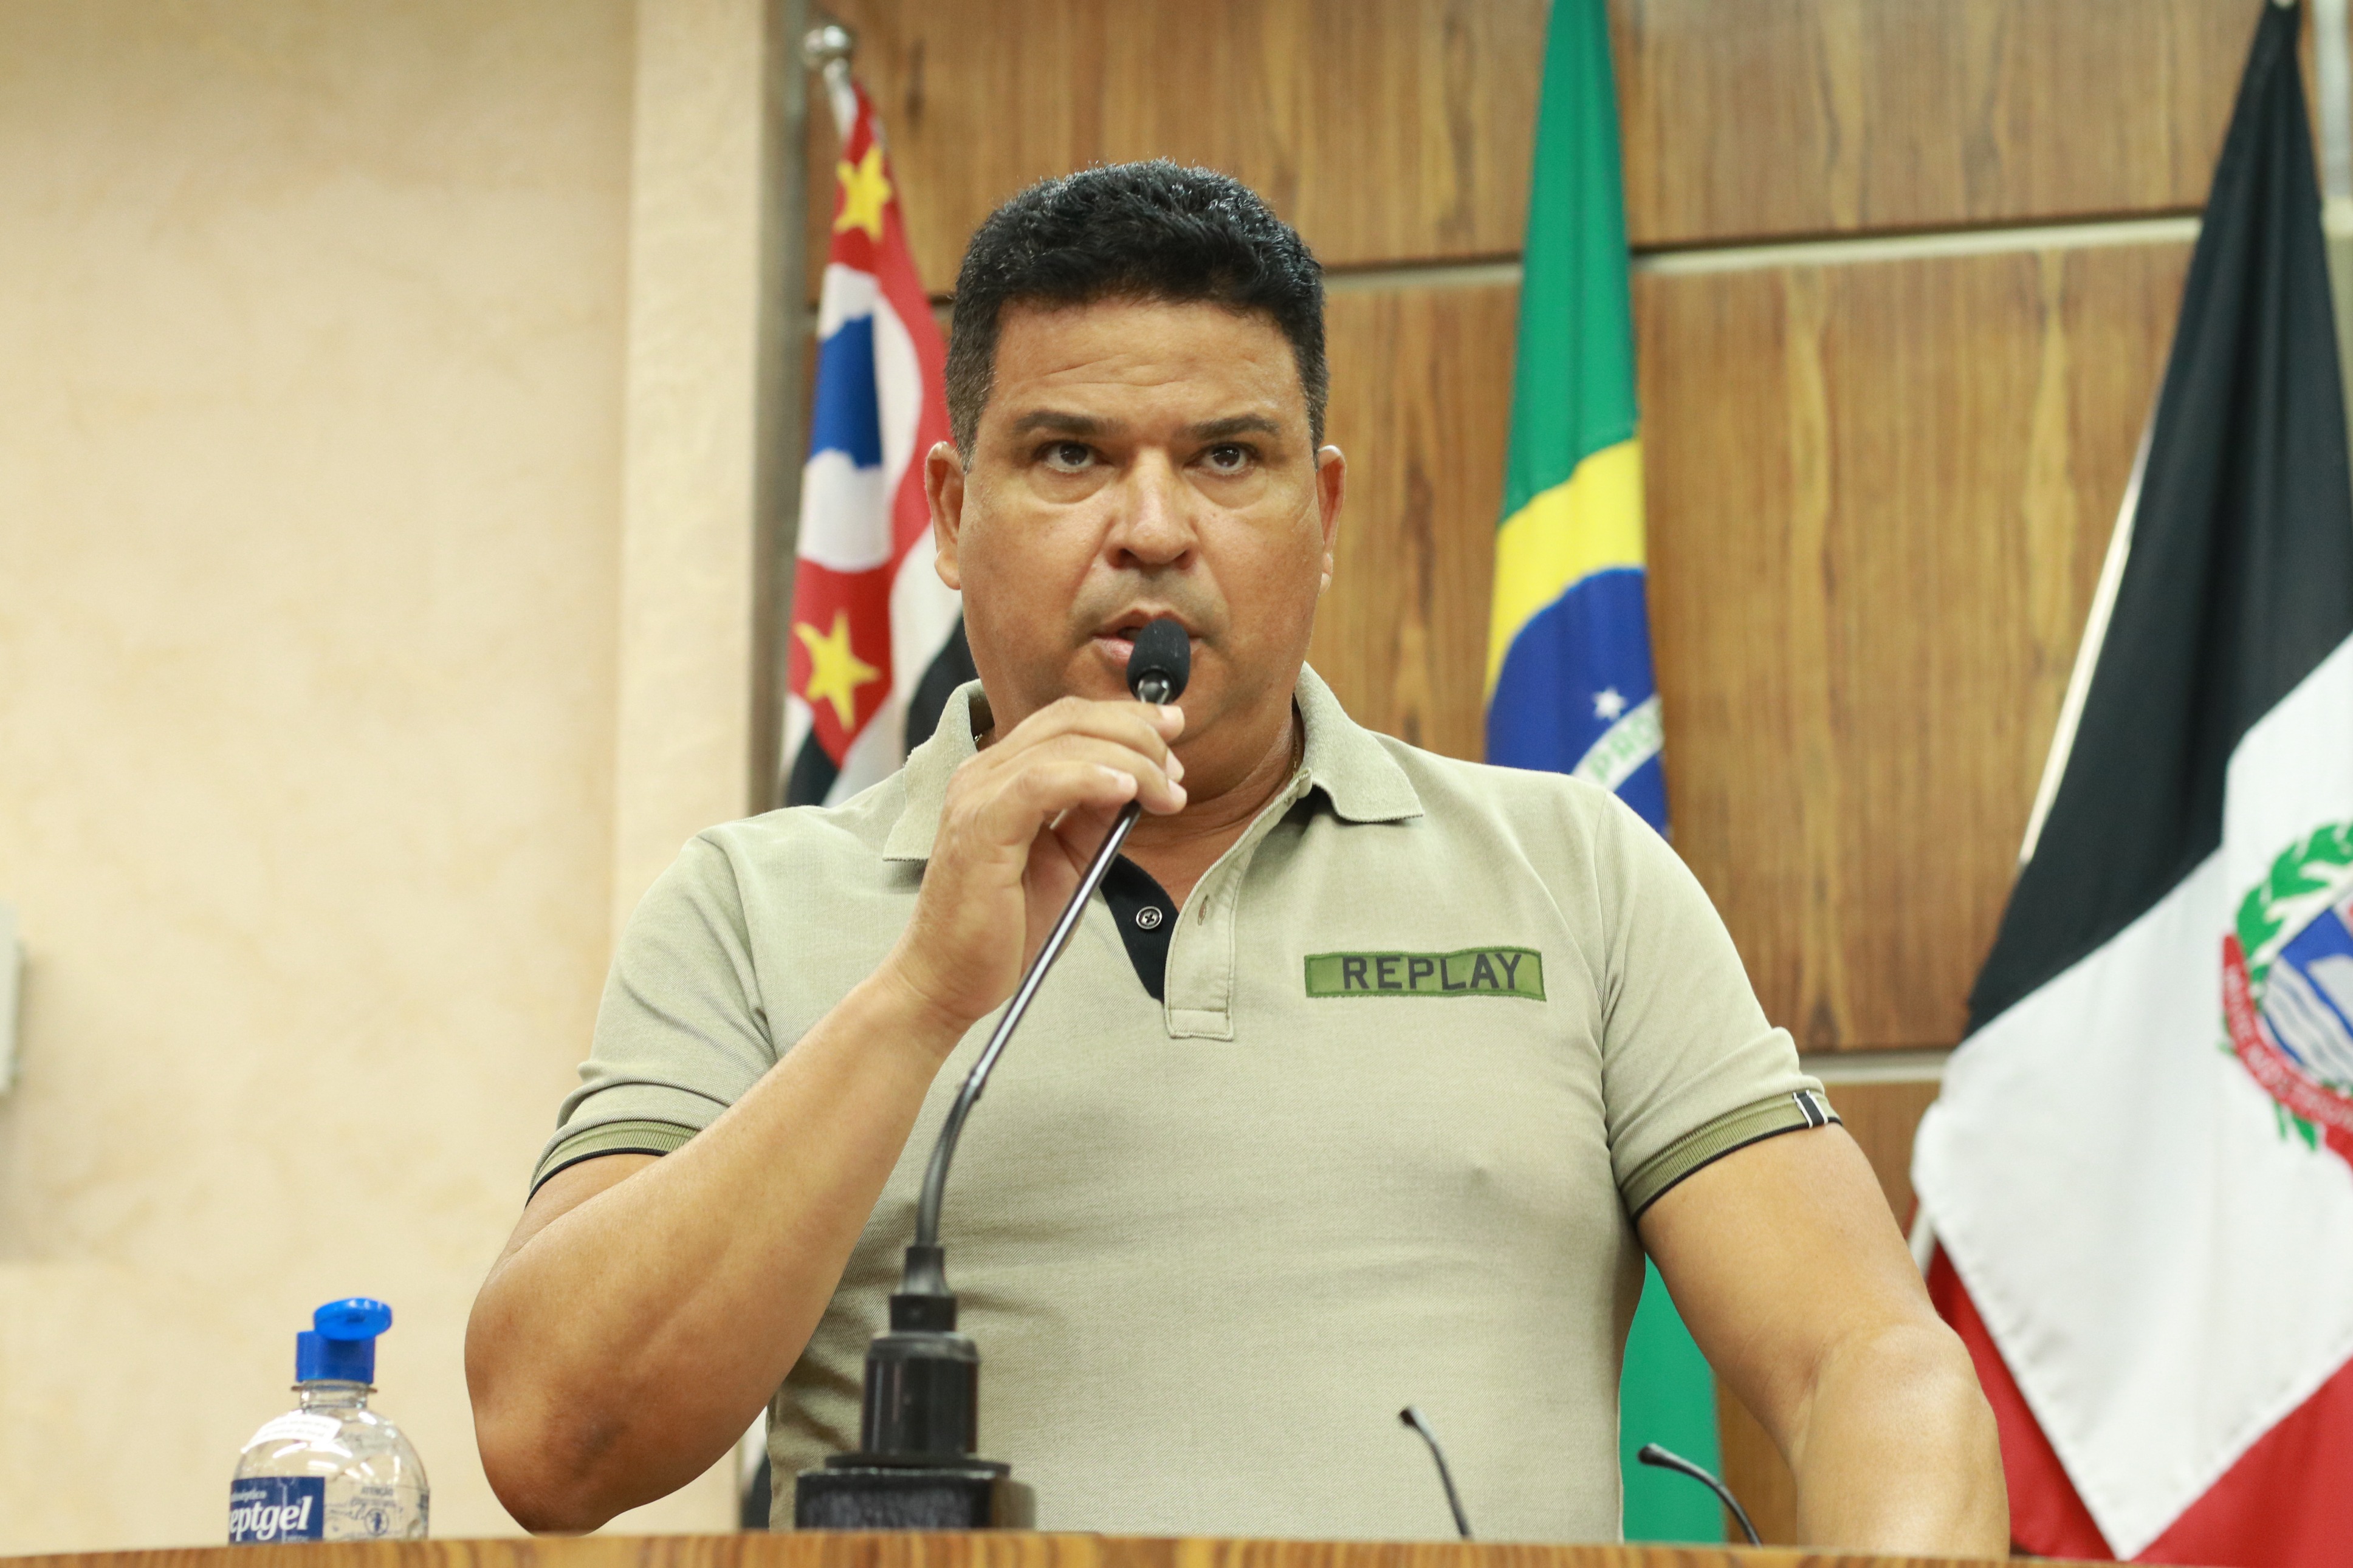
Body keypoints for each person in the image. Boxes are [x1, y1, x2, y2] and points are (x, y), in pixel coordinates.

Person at [465, 162, 2005, 1550]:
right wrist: (919, 996)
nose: (1151, 528)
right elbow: (550, 1441)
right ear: (949, 510)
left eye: (1224, 457)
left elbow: (1869, 1362)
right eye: (1069, 455)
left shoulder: (1578, 873)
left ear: (1320, 509)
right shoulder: (747, 905)